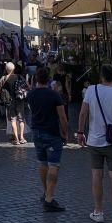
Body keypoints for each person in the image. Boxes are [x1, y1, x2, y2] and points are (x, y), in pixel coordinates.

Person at [77, 64, 112, 223]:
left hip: (94, 141)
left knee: (96, 176)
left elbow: (83, 113)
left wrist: (80, 132)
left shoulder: (91, 90)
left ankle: (98, 212)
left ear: (101, 76)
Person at [27, 67, 69, 212]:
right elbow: (62, 117)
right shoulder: (54, 95)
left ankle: (46, 193)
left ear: (36, 79)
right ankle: (49, 199)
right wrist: (65, 133)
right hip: (51, 132)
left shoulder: (30, 94)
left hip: (37, 132)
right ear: (48, 78)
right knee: (54, 165)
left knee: (42, 164)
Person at [0, 62, 29, 145]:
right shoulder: (19, 76)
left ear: (6, 69)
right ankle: (21, 137)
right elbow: (28, 86)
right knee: (21, 120)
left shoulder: (4, 78)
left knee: (13, 120)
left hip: (9, 101)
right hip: (19, 100)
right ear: (14, 69)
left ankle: (16, 139)